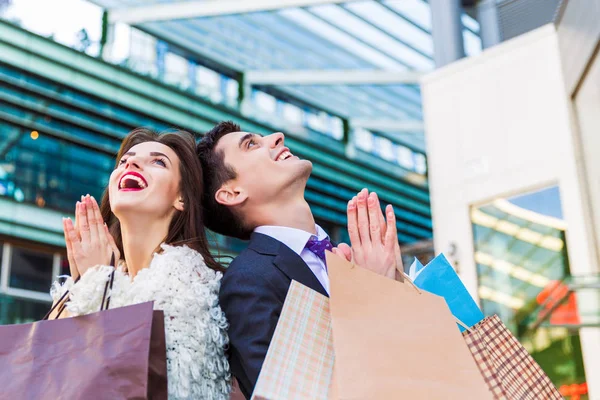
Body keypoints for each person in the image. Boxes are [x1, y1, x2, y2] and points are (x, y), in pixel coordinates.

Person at [196, 121, 402, 399]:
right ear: (232, 193)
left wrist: (395, 289)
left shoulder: (352, 260)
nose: (277, 137)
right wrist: (374, 296)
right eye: (251, 144)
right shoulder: (248, 281)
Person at [50, 128, 231, 400]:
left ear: (181, 197)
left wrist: (98, 286)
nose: (130, 163)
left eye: (158, 162)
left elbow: (155, 387)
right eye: (124, 161)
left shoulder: (200, 291)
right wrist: (85, 287)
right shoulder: (86, 282)